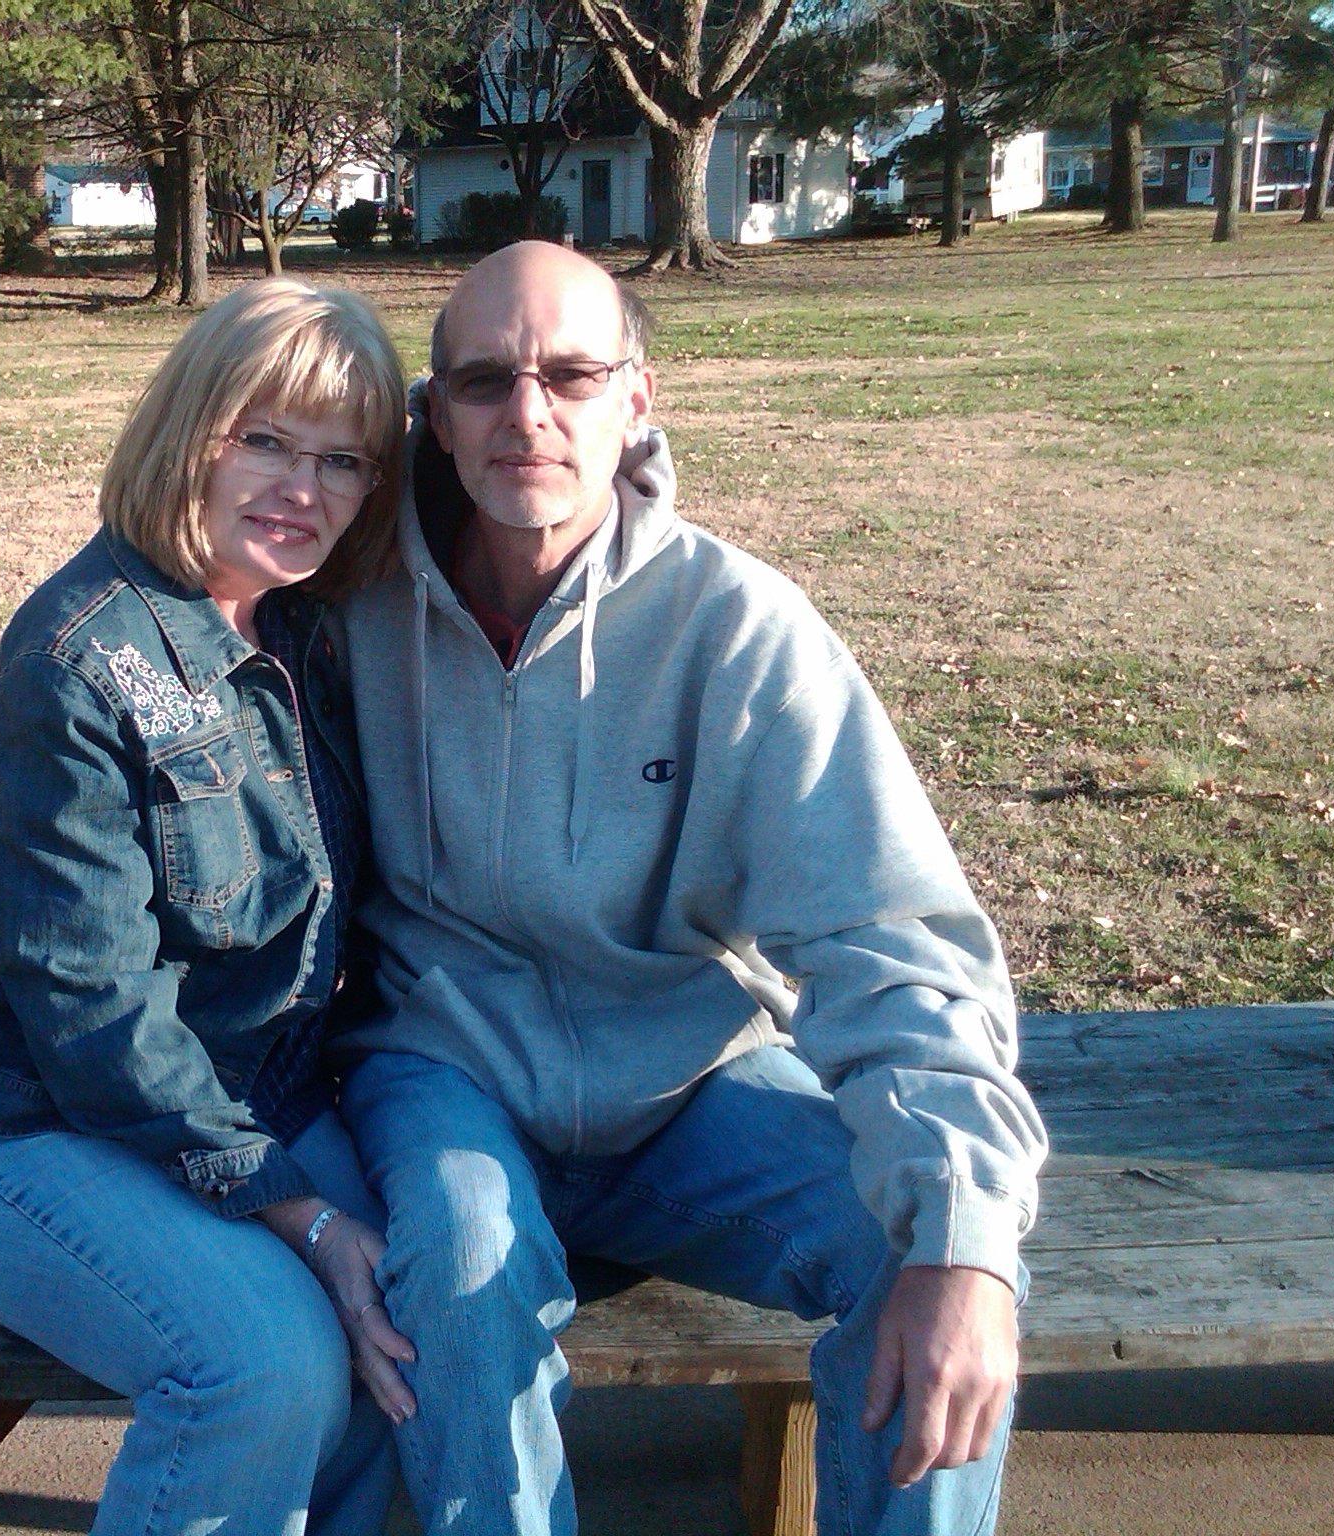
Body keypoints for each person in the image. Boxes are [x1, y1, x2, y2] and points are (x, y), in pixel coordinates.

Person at [334, 241, 1050, 1536]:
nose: (529, 413)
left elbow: (889, 931)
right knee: (458, 1271)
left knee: (928, 1262)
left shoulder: (740, 627)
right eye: (485, 380)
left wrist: (963, 1231)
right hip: (449, 1068)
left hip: (691, 1078)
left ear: (637, 398)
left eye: (571, 373)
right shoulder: (346, 603)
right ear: (430, 418)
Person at [0, 278, 418, 1536]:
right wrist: (302, 1213)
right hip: (3, 1118)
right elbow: (89, 1004)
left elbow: (513, 441)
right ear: (189, 431)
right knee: (261, 1369)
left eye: (341, 460)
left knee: (418, 1300)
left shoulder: (306, 623)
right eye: (263, 440)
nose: (303, 488)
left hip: (236, 1087)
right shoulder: (77, 661)